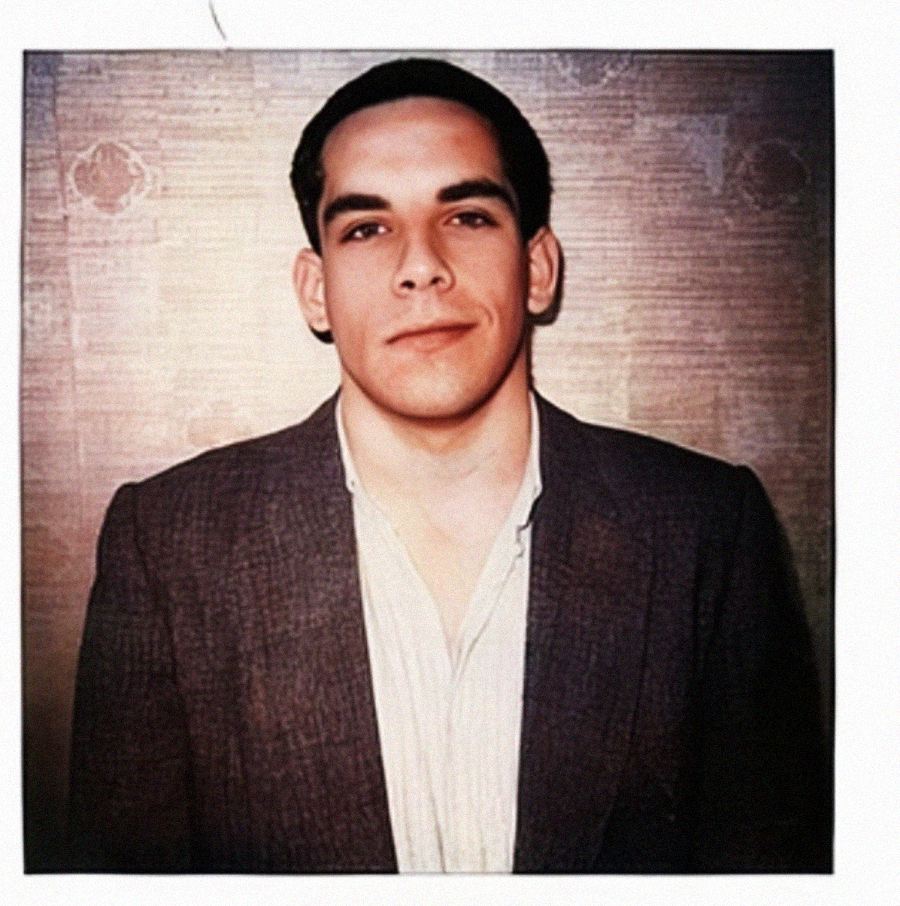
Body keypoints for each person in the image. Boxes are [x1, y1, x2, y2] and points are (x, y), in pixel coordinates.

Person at [67, 57, 831, 873]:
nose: (420, 264)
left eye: (466, 216)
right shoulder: (168, 544)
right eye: (366, 227)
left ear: (537, 268)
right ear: (314, 290)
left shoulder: (708, 528)